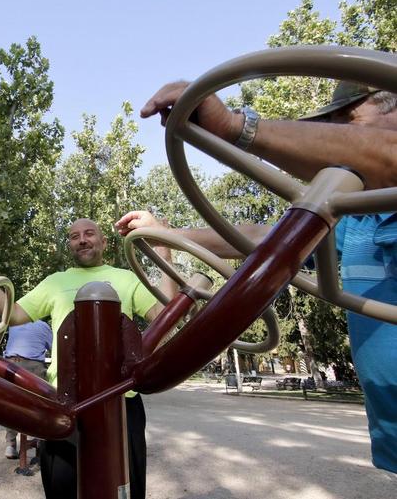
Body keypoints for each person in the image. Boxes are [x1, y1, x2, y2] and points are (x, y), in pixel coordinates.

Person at [116, 80, 397, 474]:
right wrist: (168, 234)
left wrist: (235, 127)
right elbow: (265, 238)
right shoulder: (358, 221)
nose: (340, 142)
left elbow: (386, 157)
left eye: (348, 123)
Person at [0, 219, 176, 499]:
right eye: (74, 236)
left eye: (89, 234)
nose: (82, 240)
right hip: (67, 402)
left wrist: (165, 254)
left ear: (104, 242)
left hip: (121, 403)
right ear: (69, 245)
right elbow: (13, 315)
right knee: (61, 484)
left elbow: (164, 316)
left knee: (124, 487)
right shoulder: (55, 282)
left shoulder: (126, 279)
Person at [2, 320, 53, 459]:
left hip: (11, 365)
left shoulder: (14, 323)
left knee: (11, 405)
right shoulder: (43, 326)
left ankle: (10, 445)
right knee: (41, 404)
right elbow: (53, 349)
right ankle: (40, 440)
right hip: (34, 367)